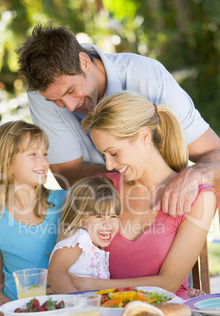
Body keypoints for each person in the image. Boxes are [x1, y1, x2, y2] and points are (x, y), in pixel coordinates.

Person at [17, 21, 220, 217]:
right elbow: (69, 175)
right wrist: (148, 179)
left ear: (85, 62)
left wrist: (196, 175)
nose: (69, 106)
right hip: (101, 216)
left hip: (165, 211)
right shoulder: (42, 96)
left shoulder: (148, 78)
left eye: (72, 90)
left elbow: (215, 154)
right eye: (56, 101)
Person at [57, 91, 218, 299]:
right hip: (106, 315)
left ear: (143, 136)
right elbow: (70, 259)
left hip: (167, 315)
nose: (109, 164)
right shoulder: (103, 188)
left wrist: (92, 285)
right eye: (103, 155)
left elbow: (167, 283)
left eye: (113, 153)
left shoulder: (200, 198)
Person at [0, 121, 66, 316]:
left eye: (45, 154)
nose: (44, 162)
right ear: (7, 163)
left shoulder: (66, 203)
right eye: (33, 154)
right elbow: (1, 287)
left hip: (66, 311)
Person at [47, 177, 121, 293]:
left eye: (113, 216)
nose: (108, 224)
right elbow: (55, 272)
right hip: (76, 307)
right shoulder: (80, 238)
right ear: (79, 219)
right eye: (99, 216)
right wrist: (77, 302)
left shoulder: (94, 244)